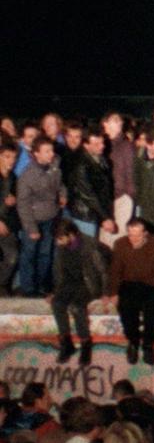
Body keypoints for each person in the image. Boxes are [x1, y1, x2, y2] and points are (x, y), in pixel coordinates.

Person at [106, 218, 154, 365]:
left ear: (145, 234)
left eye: (137, 235)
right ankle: (133, 342)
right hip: (129, 284)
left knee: (153, 310)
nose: (133, 239)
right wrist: (113, 292)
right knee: (126, 308)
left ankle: (148, 344)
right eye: (130, 234)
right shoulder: (121, 244)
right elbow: (115, 271)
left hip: (152, 284)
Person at [49, 220, 105, 366]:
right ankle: (66, 343)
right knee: (57, 304)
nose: (57, 242)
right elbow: (59, 273)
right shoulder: (62, 247)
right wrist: (55, 292)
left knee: (77, 307)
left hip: (88, 284)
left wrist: (106, 292)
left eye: (60, 238)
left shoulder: (90, 246)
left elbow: (102, 271)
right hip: (69, 283)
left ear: (71, 235)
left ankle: (85, 344)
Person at [16, 136, 64, 296]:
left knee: (45, 254)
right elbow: (23, 204)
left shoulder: (54, 166)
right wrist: (31, 228)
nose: (51, 154)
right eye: (47, 151)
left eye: (51, 150)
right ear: (36, 154)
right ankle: (28, 288)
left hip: (50, 217)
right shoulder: (27, 176)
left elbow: (60, 184)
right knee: (29, 255)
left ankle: (42, 286)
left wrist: (63, 194)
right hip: (34, 219)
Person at [102, 112, 135, 247]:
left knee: (118, 239)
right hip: (105, 199)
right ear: (105, 123)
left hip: (121, 197)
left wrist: (130, 196)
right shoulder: (102, 144)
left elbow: (131, 172)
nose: (120, 123)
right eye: (115, 120)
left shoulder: (126, 146)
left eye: (120, 120)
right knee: (104, 239)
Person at [0, 143, 18, 296]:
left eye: (13, 157)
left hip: (7, 226)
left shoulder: (13, 177)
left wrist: (14, 201)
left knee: (12, 257)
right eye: (7, 157)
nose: (11, 160)